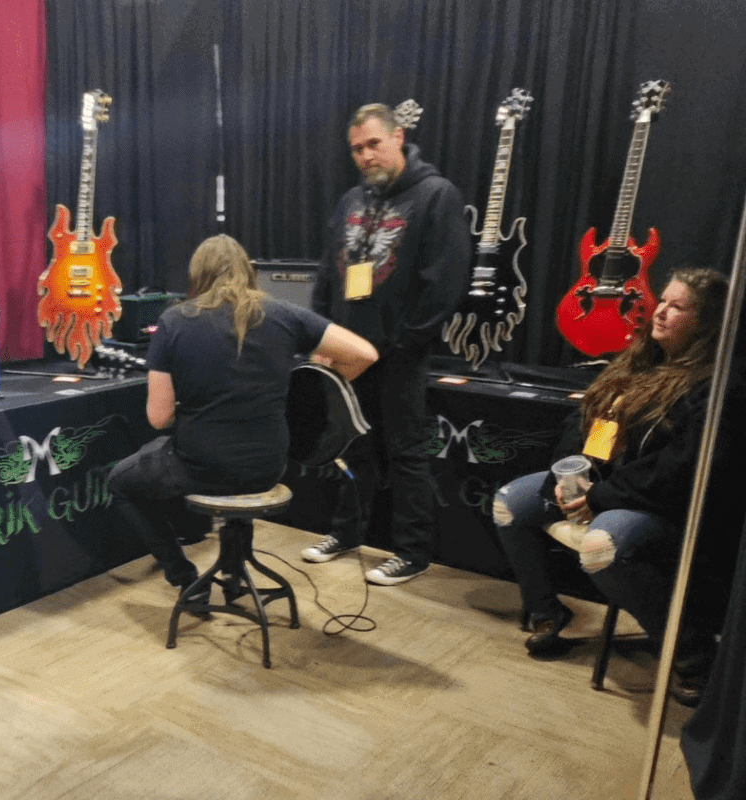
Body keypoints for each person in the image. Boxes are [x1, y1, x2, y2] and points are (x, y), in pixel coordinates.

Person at [109, 234, 378, 590]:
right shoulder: (284, 314)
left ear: (197, 275)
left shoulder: (173, 322)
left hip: (201, 467)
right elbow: (364, 354)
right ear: (248, 271)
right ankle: (234, 570)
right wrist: (314, 388)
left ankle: (185, 578)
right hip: (268, 467)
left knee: (122, 481)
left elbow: (159, 418)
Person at [492, 267, 729, 667]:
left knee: (602, 546)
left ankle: (690, 652)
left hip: (658, 505)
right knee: (510, 503)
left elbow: (676, 469)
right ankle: (547, 611)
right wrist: (566, 474)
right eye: (663, 301)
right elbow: (584, 421)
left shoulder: (712, 384)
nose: (661, 312)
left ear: (705, 323)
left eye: (678, 307)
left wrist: (599, 497)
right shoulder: (639, 359)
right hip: (602, 484)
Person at [303, 102, 469, 585]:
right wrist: (320, 333)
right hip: (348, 353)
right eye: (357, 149)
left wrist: (403, 343)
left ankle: (413, 553)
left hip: (401, 356)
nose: (365, 156)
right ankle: (346, 532)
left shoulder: (436, 195)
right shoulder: (350, 201)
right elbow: (328, 273)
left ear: (399, 137)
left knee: (406, 453)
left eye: (373, 144)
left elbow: (445, 282)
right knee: (353, 446)